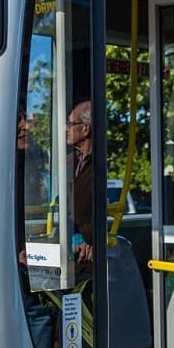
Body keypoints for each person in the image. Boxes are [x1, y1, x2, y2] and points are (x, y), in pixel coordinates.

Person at [66, 100, 95, 264]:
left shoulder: (100, 163)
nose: (66, 129)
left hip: (88, 253)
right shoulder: (69, 161)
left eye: (70, 124)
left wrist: (91, 240)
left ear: (85, 128)